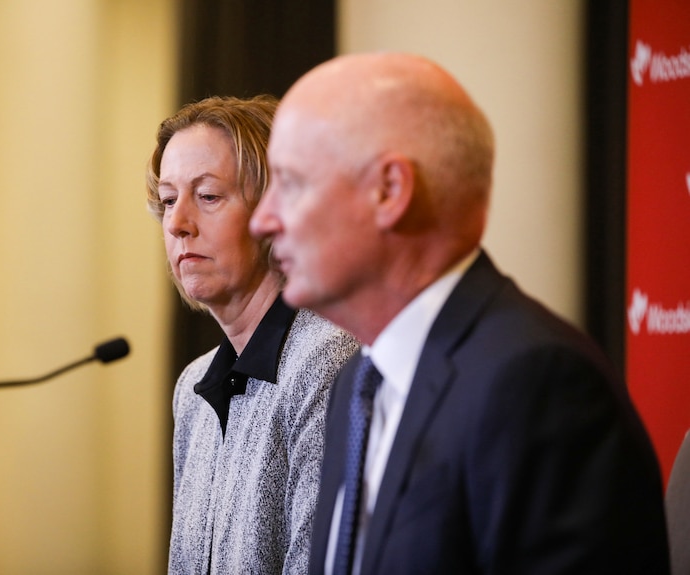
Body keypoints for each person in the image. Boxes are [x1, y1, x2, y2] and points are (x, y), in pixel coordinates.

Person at [249, 53, 670, 574]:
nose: (263, 220)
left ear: (389, 192)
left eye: (289, 184)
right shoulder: (356, 384)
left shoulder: (538, 385)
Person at [146, 95, 359, 574]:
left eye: (208, 196)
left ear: (273, 215)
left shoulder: (328, 362)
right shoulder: (192, 386)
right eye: (167, 200)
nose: (178, 224)